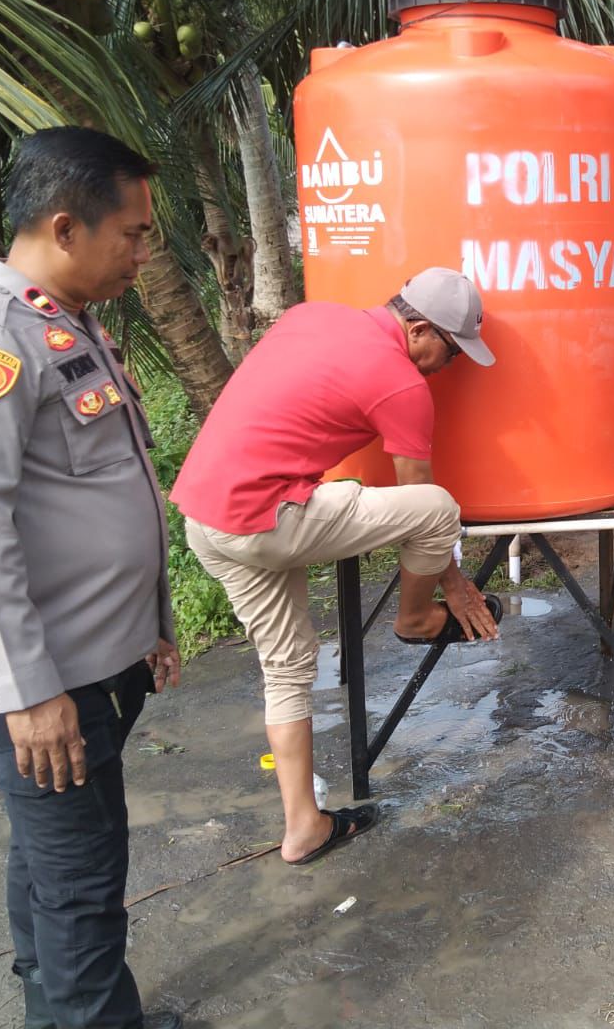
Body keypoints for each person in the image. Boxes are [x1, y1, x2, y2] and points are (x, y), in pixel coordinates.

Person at [0, 127, 183, 1028]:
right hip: (48, 678)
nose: (144, 254)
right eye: (134, 234)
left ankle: (53, 1010)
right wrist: (28, 695)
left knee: (53, 866)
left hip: (99, 662)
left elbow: (117, 481)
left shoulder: (66, 323)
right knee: (83, 886)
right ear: (66, 227)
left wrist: (155, 620)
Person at [171, 267, 502, 866]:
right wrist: (453, 591)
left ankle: (304, 827)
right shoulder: (402, 385)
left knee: (289, 662)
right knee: (437, 507)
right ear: (420, 329)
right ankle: (414, 622)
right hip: (266, 517)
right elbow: (421, 504)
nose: (444, 368)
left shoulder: (312, 315)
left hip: (207, 520)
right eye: (449, 354)